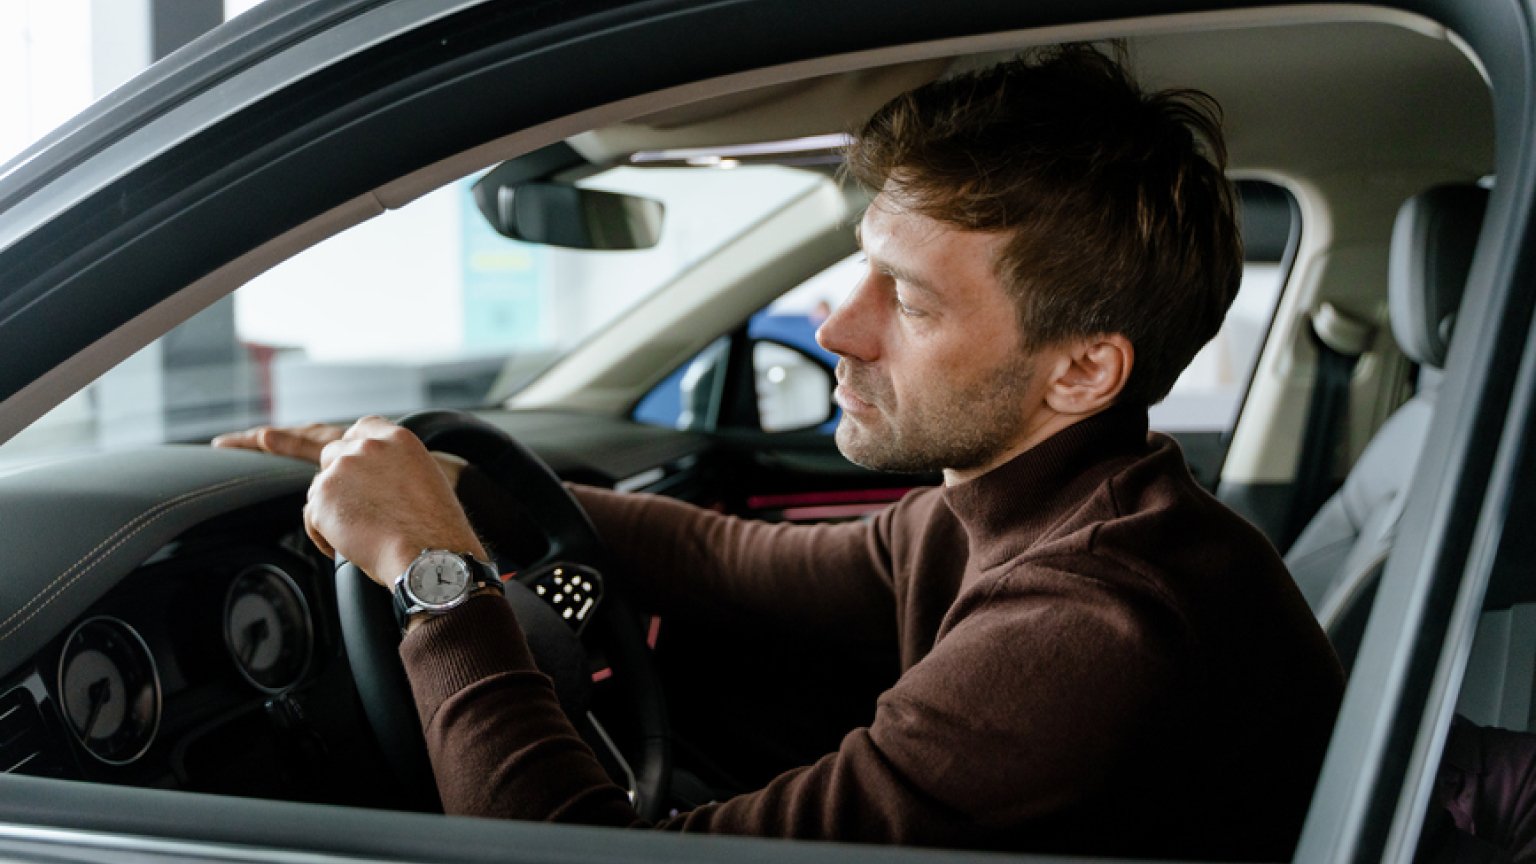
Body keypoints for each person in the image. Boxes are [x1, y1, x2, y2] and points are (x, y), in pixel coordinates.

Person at [215, 45, 1344, 859]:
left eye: (907, 298)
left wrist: (431, 569)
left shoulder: (1089, 627)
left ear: (1083, 372)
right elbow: (731, 562)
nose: (835, 326)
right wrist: (460, 485)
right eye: (863, 268)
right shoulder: (1038, 506)